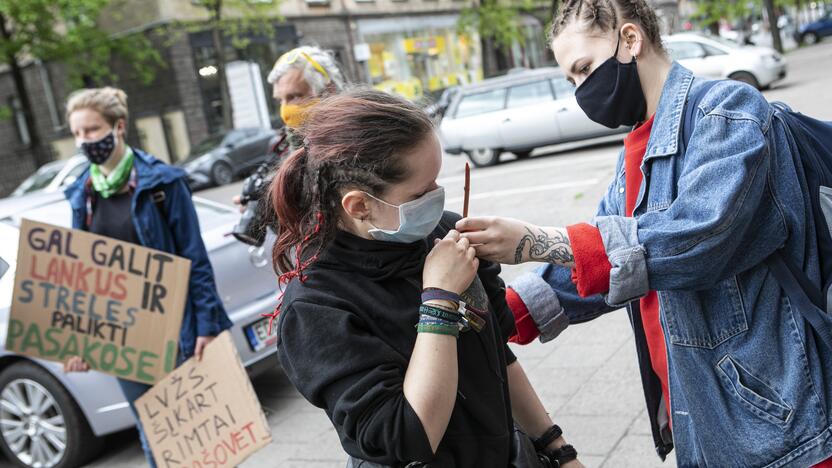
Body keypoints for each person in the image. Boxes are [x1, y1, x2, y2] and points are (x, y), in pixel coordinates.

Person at [455, 0, 832, 466]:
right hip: (700, 412)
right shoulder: (636, 147)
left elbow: (701, 237)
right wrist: (502, 316)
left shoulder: (727, 110)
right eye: (571, 80)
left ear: (630, 40)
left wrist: (534, 240)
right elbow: (604, 261)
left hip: (774, 418)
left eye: (584, 68)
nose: (581, 91)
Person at [270, 88, 583, 467]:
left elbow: (500, 357)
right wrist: (439, 300)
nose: (437, 199)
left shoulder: (445, 234)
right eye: (421, 192)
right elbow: (406, 437)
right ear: (360, 205)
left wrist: (557, 449)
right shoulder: (315, 307)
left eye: (437, 181)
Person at [62, 87, 233, 467]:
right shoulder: (81, 194)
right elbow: (83, 274)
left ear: (118, 127)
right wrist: (78, 339)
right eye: (77, 133)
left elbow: (195, 258)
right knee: (155, 434)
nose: (84, 141)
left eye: (91, 130)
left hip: (177, 327)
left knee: (201, 434)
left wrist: (206, 326)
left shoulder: (162, 184)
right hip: (123, 333)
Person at [232, 46, 346, 246]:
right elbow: (300, 231)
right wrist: (269, 207)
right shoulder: (286, 145)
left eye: (294, 96)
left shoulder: (357, 139)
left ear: (328, 91)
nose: (285, 111)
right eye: (280, 100)